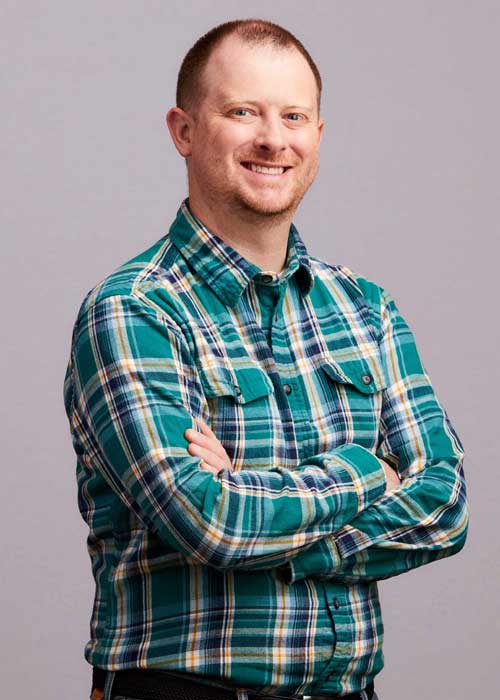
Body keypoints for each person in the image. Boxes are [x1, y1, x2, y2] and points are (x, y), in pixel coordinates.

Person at [63, 18, 469, 700]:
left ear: (317, 136)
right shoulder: (132, 312)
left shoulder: (366, 309)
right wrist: (370, 471)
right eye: (242, 111)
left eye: (294, 116)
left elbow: (445, 504)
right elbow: (208, 521)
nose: (273, 139)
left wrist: (267, 509)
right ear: (184, 131)